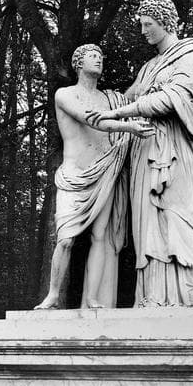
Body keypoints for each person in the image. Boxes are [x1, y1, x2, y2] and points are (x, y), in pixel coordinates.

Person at [88, 0, 193, 308]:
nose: (143, 31)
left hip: (178, 149)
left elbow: (169, 100)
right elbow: (125, 99)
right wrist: (89, 95)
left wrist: (118, 115)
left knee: (181, 215)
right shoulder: (149, 67)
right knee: (149, 225)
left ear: (165, 22)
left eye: (147, 24)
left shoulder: (191, 54)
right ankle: (153, 295)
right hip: (145, 149)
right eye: (141, 25)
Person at [35, 44, 154, 310]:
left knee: (100, 236)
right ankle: (52, 296)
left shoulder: (110, 100)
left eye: (100, 56)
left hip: (105, 172)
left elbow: (134, 94)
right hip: (74, 175)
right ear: (78, 63)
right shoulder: (65, 94)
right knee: (66, 239)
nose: (98, 60)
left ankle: (92, 298)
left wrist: (152, 72)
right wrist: (129, 127)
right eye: (92, 56)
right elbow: (91, 120)